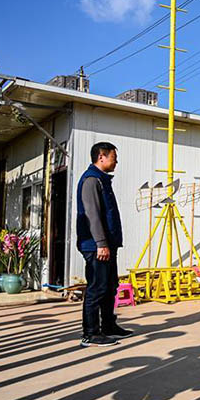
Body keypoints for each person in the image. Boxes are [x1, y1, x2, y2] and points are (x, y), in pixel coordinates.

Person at [76, 142, 132, 347]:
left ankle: (109, 326)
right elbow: (92, 214)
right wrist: (101, 243)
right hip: (96, 245)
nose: (116, 161)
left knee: (109, 287)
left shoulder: (102, 180)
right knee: (97, 288)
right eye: (113, 157)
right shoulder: (91, 180)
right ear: (102, 157)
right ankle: (90, 334)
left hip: (107, 243)